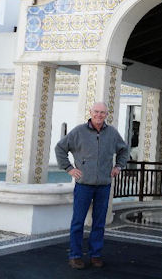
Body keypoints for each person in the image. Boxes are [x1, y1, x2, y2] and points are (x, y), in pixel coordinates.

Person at [55, 102, 128, 270]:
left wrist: (118, 166)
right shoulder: (79, 132)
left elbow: (124, 150)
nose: (99, 115)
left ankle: (96, 255)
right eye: (96, 111)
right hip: (83, 185)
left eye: (102, 112)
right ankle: (75, 256)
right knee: (78, 222)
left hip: (104, 185)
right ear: (90, 112)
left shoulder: (112, 133)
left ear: (106, 114)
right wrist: (69, 168)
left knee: (99, 222)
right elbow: (60, 148)